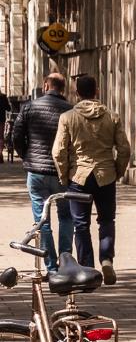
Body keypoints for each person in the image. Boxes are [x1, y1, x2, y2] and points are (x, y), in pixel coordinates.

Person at [52, 74, 132, 281]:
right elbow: (124, 149)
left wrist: (63, 176)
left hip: (79, 176)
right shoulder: (112, 117)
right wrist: (118, 171)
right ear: (96, 91)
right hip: (106, 174)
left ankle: (87, 267)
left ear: (76, 93)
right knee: (106, 219)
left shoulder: (68, 117)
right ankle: (106, 259)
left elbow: (58, 151)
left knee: (81, 224)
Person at [10, 74, 73, 264]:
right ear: (63, 88)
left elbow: (16, 136)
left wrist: (26, 156)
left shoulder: (29, 107)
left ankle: (51, 265)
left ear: (45, 86)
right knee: (66, 217)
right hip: (62, 173)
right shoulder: (70, 110)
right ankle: (66, 260)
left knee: (42, 220)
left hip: (36, 173)